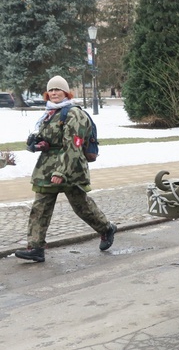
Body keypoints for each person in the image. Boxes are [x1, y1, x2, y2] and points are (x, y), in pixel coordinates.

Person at [14, 76, 117, 263]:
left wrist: (61, 172)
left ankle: (106, 229)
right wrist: (38, 144)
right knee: (40, 207)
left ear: (66, 92)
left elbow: (73, 146)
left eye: (58, 90)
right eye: (51, 90)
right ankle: (36, 247)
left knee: (81, 206)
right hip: (47, 168)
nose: (54, 93)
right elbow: (50, 139)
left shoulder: (74, 114)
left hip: (71, 168)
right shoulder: (50, 113)